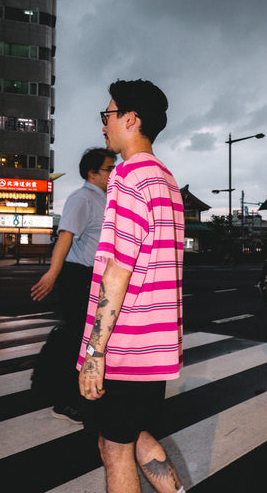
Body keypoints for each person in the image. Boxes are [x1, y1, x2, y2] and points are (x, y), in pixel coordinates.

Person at [77, 80, 186, 493]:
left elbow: (118, 270)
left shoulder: (127, 175)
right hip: (155, 345)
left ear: (130, 119)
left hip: (126, 345)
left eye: (108, 116)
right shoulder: (166, 180)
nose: (104, 126)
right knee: (132, 435)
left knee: (114, 449)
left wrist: (94, 352)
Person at [31, 147, 117, 424]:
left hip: (96, 277)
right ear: (92, 173)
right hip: (77, 275)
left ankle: (82, 392)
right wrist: (52, 274)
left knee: (87, 337)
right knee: (77, 338)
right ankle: (64, 399)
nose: (113, 172)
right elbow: (66, 236)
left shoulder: (105, 199)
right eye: (108, 168)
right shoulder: (82, 198)